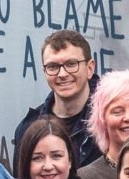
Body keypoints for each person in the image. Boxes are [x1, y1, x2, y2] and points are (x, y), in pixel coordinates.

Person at [15, 29, 100, 171]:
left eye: (71, 64)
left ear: (90, 68)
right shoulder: (27, 129)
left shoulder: (110, 121)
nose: (62, 74)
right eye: (53, 67)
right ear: (44, 72)